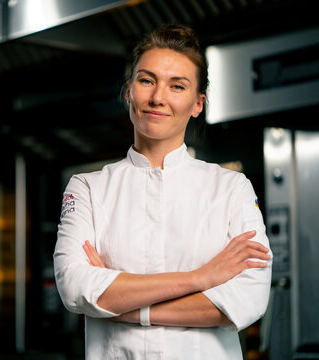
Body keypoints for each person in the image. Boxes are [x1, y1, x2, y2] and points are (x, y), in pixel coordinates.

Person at [54, 24, 272, 359]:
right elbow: (74, 288)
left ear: (197, 104)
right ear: (129, 91)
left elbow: (248, 298)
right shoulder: (88, 188)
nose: (158, 97)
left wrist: (122, 305)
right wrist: (202, 278)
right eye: (146, 80)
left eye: (177, 86)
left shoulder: (231, 188)